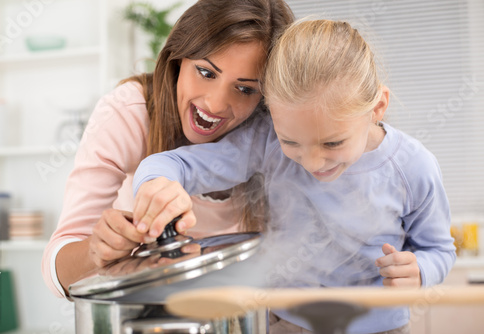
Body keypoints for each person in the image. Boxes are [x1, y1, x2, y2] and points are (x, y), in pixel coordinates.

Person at [132, 19, 456, 334]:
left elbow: (439, 249)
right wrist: (156, 183)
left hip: (381, 328)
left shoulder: (414, 166)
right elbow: (176, 165)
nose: (313, 162)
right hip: (285, 323)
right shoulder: (264, 140)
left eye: (333, 142)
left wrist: (421, 270)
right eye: (291, 141)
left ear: (377, 107)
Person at [41, 0, 294, 298]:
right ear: (178, 57)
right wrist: (96, 251)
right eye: (206, 72)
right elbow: (55, 273)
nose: (214, 104)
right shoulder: (128, 113)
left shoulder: (275, 135)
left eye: (245, 89)